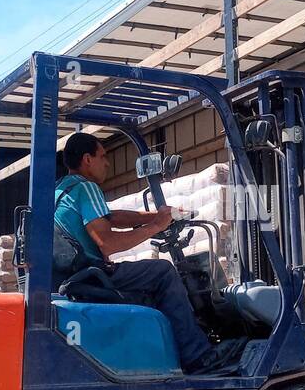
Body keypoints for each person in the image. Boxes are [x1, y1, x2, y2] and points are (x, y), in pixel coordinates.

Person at [55, 131, 228, 374]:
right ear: (87, 160)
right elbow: (108, 243)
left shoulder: (63, 190)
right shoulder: (87, 188)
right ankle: (198, 356)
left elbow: (111, 217)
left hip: (77, 276)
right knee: (163, 272)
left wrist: (158, 216)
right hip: (93, 276)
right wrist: (155, 227)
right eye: (103, 156)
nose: (107, 162)